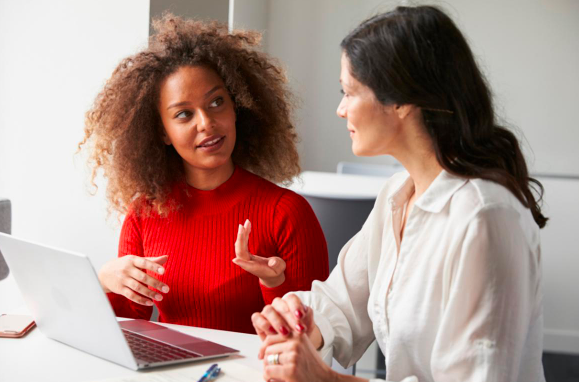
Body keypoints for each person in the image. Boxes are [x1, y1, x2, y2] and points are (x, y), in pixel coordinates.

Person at [251, 5, 547, 381]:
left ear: (402, 101)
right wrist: (299, 321)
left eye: (349, 92)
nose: (341, 109)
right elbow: (343, 301)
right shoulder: (397, 195)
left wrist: (326, 379)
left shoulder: (484, 217)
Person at [79, 15, 329, 335]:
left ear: (236, 108)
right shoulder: (144, 213)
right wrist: (105, 282)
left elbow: (310, 337)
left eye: (216, 102)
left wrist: (273, 283)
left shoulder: (287, 212)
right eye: (184, 114)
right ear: (163, 132)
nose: (206, 123)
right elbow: (129, 324)